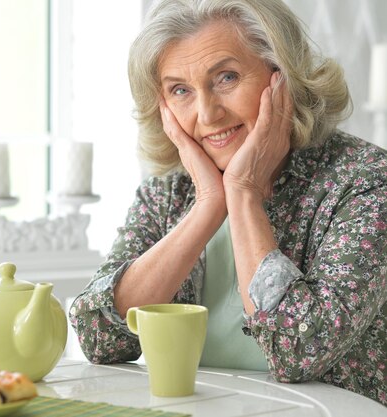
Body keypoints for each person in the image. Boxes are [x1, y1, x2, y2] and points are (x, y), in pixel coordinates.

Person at [69, 0, 387, 406]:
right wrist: (208, 204)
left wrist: (243, 194)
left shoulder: (365, 180)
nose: (207, 113)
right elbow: (100, 338)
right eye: (180, 90)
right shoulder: (169, 192)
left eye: (226, 78)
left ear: (283, 78)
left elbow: (299, 350)